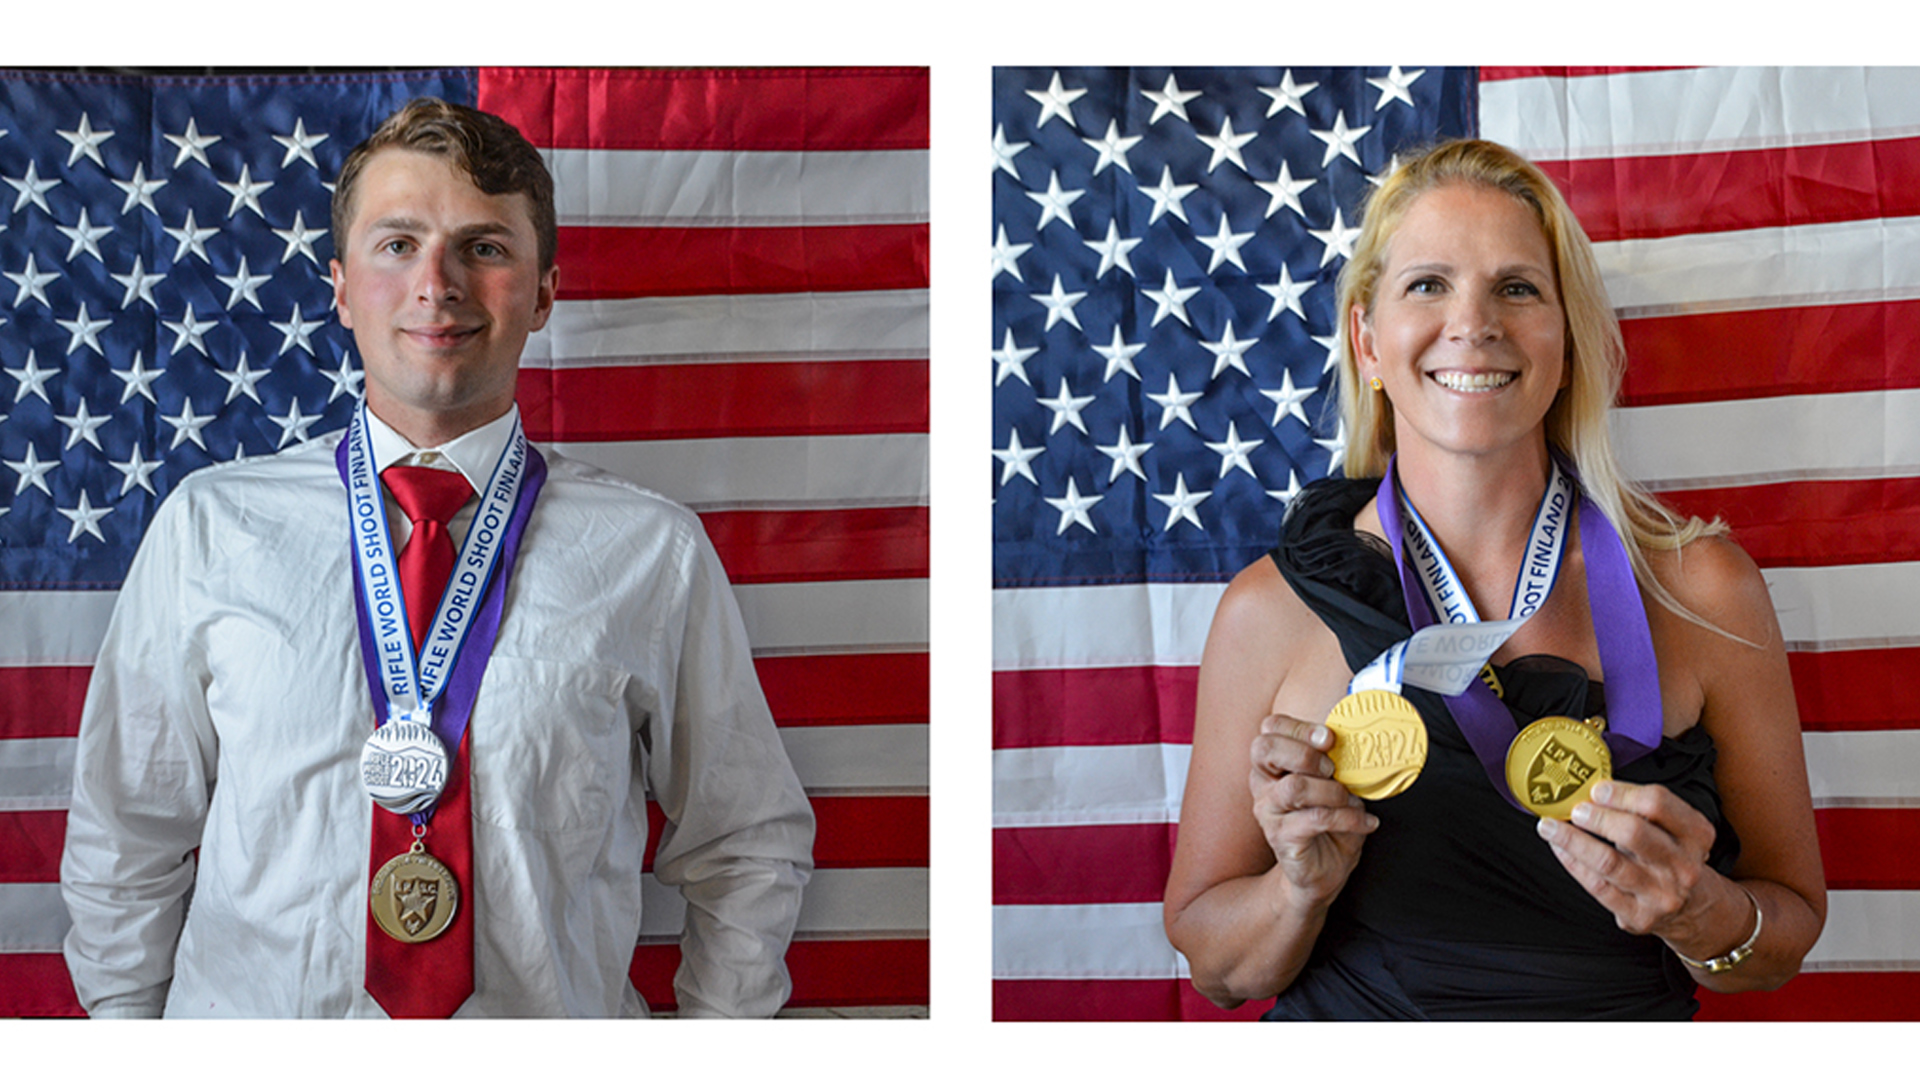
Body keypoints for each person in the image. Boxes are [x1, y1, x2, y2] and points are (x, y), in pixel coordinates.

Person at [60, 98, 815, 1018]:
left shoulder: (652, 553)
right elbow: (123, 840)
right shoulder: (210, 528)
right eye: (397, 244)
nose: (437, 283)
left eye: (485, 247)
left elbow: (745, 845)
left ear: (543, 293)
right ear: (340, 288)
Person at [1162, 139, 1826, 1020]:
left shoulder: (1702, 589)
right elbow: (1217, 970)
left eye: (1517, 288)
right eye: (1427, 285)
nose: (1473, 324)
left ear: (1568, 335)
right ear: (1367, 339)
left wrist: (1703, 912)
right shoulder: (1272, 609)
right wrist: (1297, 889)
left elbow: (1784, 936)